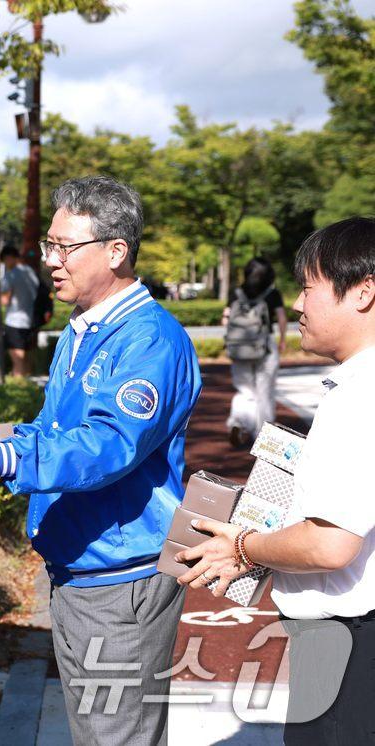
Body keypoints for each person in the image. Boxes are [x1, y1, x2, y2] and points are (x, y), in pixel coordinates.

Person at [0, 176, 202, 745]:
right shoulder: (82, 330)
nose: (50, 261)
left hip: (120, 579)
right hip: (82, 572)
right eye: (49, 246)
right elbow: (56, 429)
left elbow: (107, 445)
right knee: (100, 732)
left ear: (116, 251)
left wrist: (4, 458)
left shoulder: (149, 341)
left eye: (65, 247)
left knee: (117, 736)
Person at [178, 217, 375, 744]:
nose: (298, 304)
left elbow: (330, 544)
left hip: (350, 642)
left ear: (363, 291)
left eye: (309, 287)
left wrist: (244, 546)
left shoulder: (359, 396)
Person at [222, 257, 287, 447]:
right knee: (265, 391)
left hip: (239, 347)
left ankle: (239, 423)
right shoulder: (272, 293)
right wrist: (283, 340)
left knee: (245, 390)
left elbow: (226, 319)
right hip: (264, 346)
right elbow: (282, 318)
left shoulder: (236, 293)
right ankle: (263, 435)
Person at [0, 245, 40, 377]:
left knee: (18, 360)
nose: (5, 264)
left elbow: (5, 300)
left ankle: (18, 385)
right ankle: (26, 383)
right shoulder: (30, 272)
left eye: (4, 260)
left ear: (9, 257)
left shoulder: (11, 275)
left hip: (13, 321)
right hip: (29, 320)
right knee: (26, 359)